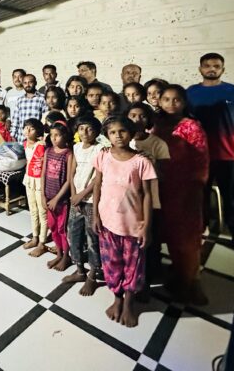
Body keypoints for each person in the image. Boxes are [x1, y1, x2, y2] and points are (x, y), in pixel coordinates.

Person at [92, 116, 157, 328]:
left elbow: (147, 195)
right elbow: (97, 184)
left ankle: (129, 304)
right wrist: (95, 215)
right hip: (107, 222)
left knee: (133, 266)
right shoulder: (103, 156)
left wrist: (147, 226)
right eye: (112, 132)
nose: (118, 136)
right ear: (107, 136)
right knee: (111, 264)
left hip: (133, 226)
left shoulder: (141, 162)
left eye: (122, 131)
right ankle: (117, 299)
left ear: (131, 133)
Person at [186, 53, 234, 253]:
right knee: (200, 196)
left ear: (223, 69)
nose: (211, 69)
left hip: (228, 155)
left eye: (216, 66)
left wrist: (229, 139)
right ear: (200, 69)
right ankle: (201, 230)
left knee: (231, 196)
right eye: (207, 66)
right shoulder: (191, 93)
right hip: (199, 155)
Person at [154, 85, 209, 304]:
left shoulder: (191, 127)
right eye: (166, 99)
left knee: (187, 237)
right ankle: (179, 276)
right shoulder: (157, 125)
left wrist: (198, 184)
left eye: (176, 99)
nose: (171, 104)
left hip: (186, 188)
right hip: (162, 186)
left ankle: (193, 282)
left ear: (184, 102)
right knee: (170, 234)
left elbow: (201, 159)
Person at [127, 101, 170, 282]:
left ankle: (151, 274)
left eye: (142, 116)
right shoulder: (123, 140)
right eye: (133, 116)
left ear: (149, 119)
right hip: (127, 199)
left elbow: (165, 175)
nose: (137, 119)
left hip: (150, 198)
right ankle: (132, 274)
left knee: (150, 239)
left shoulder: (157, 143)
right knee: (129, 239)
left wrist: (152, 162)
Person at [63, 116, 103, 296]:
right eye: (81, 129)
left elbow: (98, 178)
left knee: (92, 239)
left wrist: (81, 195)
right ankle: (80, 270)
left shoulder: (100, 149)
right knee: (73, 234)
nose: (85, 132)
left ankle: (92, 276)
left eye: (89, 129)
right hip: (76, 200)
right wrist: (74, 195)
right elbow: (72, 173)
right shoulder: (77, 147)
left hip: (91, 201)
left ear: (97, 131)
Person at [42, 120, 74, 272]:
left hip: (61, 201)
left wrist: (56, 199)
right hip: (48, 198)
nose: (54, 138)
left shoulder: (68, 154)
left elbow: (69, 180)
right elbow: (43, 174)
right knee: (53, 227)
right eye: (51, 135)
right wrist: (43, 195)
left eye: (58, 135)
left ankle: (66, 256)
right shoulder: (48, 151)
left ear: (65, 136)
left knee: (62, 229)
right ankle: (59, 254)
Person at [21, 119, 47, 257]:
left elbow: (44, 165)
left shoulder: (41, 145)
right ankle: (35, 237)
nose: (28, 131)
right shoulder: (25, 143)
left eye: (31, 129)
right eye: (26, 128)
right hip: (29, 179)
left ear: (38, 132)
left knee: (42, 211)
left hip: (39, 181)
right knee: (32, 209)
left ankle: (42, 242)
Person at [10, 74, 47, 142]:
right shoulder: (20, 100)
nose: (27, 85)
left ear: (35, 83)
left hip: (36, 139)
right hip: (21, 138)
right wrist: (12, 135)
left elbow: (45, 119)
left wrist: (43, 136)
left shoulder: (42, 98)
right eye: (25, 83)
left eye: (30, 82)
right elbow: (15, 120)